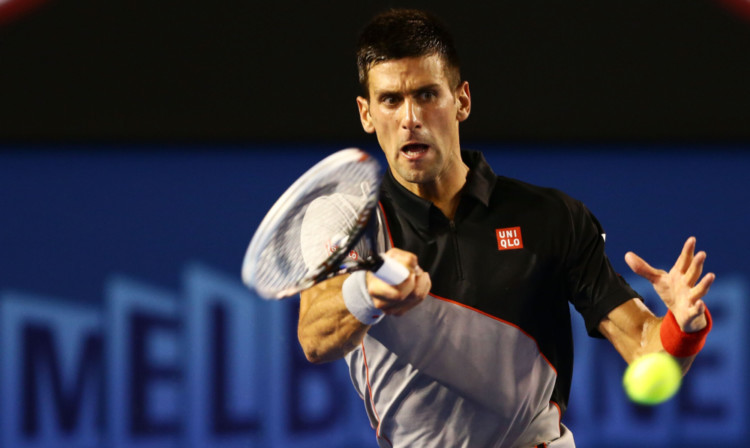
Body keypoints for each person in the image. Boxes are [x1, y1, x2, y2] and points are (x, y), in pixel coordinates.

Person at [297, 8, 714, 448]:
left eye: (426, 95)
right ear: (366, 113)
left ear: (462, 101)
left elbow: (645, 348)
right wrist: (371, 288)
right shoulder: (349, 220)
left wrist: (682, 327)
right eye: (390, 100)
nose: (409, 118)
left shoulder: (552, 217)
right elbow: (314, 336)